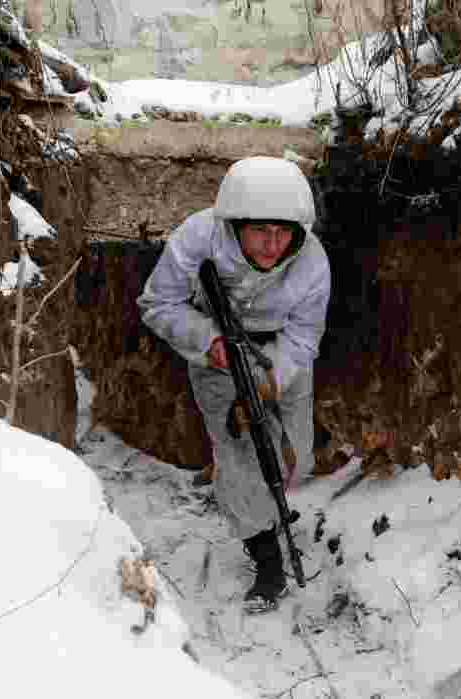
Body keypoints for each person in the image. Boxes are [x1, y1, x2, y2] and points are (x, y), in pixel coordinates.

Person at [137, 156, 332, 612]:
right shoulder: (197, 238)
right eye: (260, 230)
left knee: (295, 456)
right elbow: (158, 303)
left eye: (283, 232)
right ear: (236, 224)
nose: (273, 244)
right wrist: (209, 341)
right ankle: (266, 559)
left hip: (282, 354)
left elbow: (304, 336)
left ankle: (263, 504)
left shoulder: (311, 262)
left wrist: (269, 384)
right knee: (243, 457)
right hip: (217, 356)